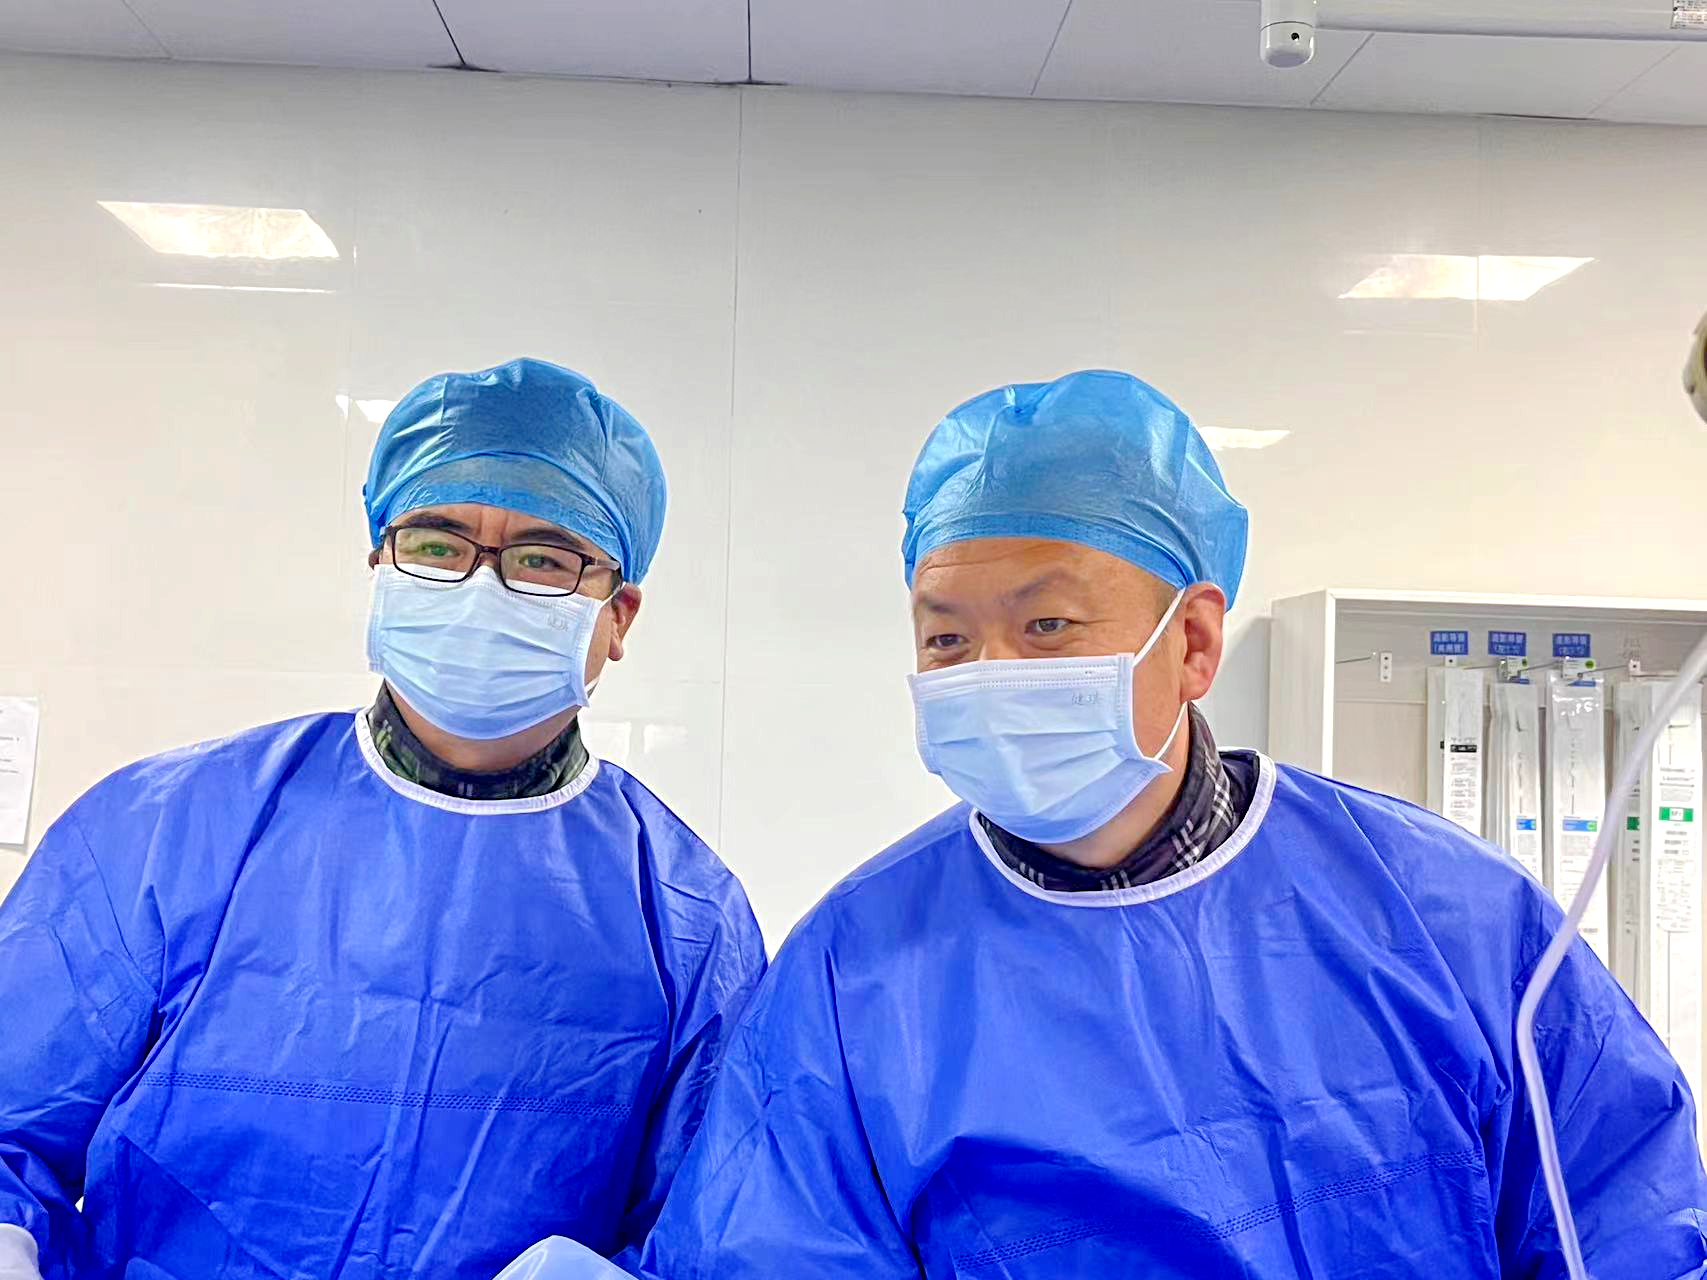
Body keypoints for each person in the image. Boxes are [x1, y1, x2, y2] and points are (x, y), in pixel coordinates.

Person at [514, 368, 1707, 1279]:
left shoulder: (1450, 921)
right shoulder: (853, 973)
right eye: (947, 636)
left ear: (1193, 641)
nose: (990, 669)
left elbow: (1628, 1220)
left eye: (1046, 626)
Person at [0, 358, 765, 1280]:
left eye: (542, 559)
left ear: (619, 615)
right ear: (381, 568)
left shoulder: (686, 921)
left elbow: (713, 1233)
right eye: (437, 544)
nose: (480, 586)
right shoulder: (165, 833)